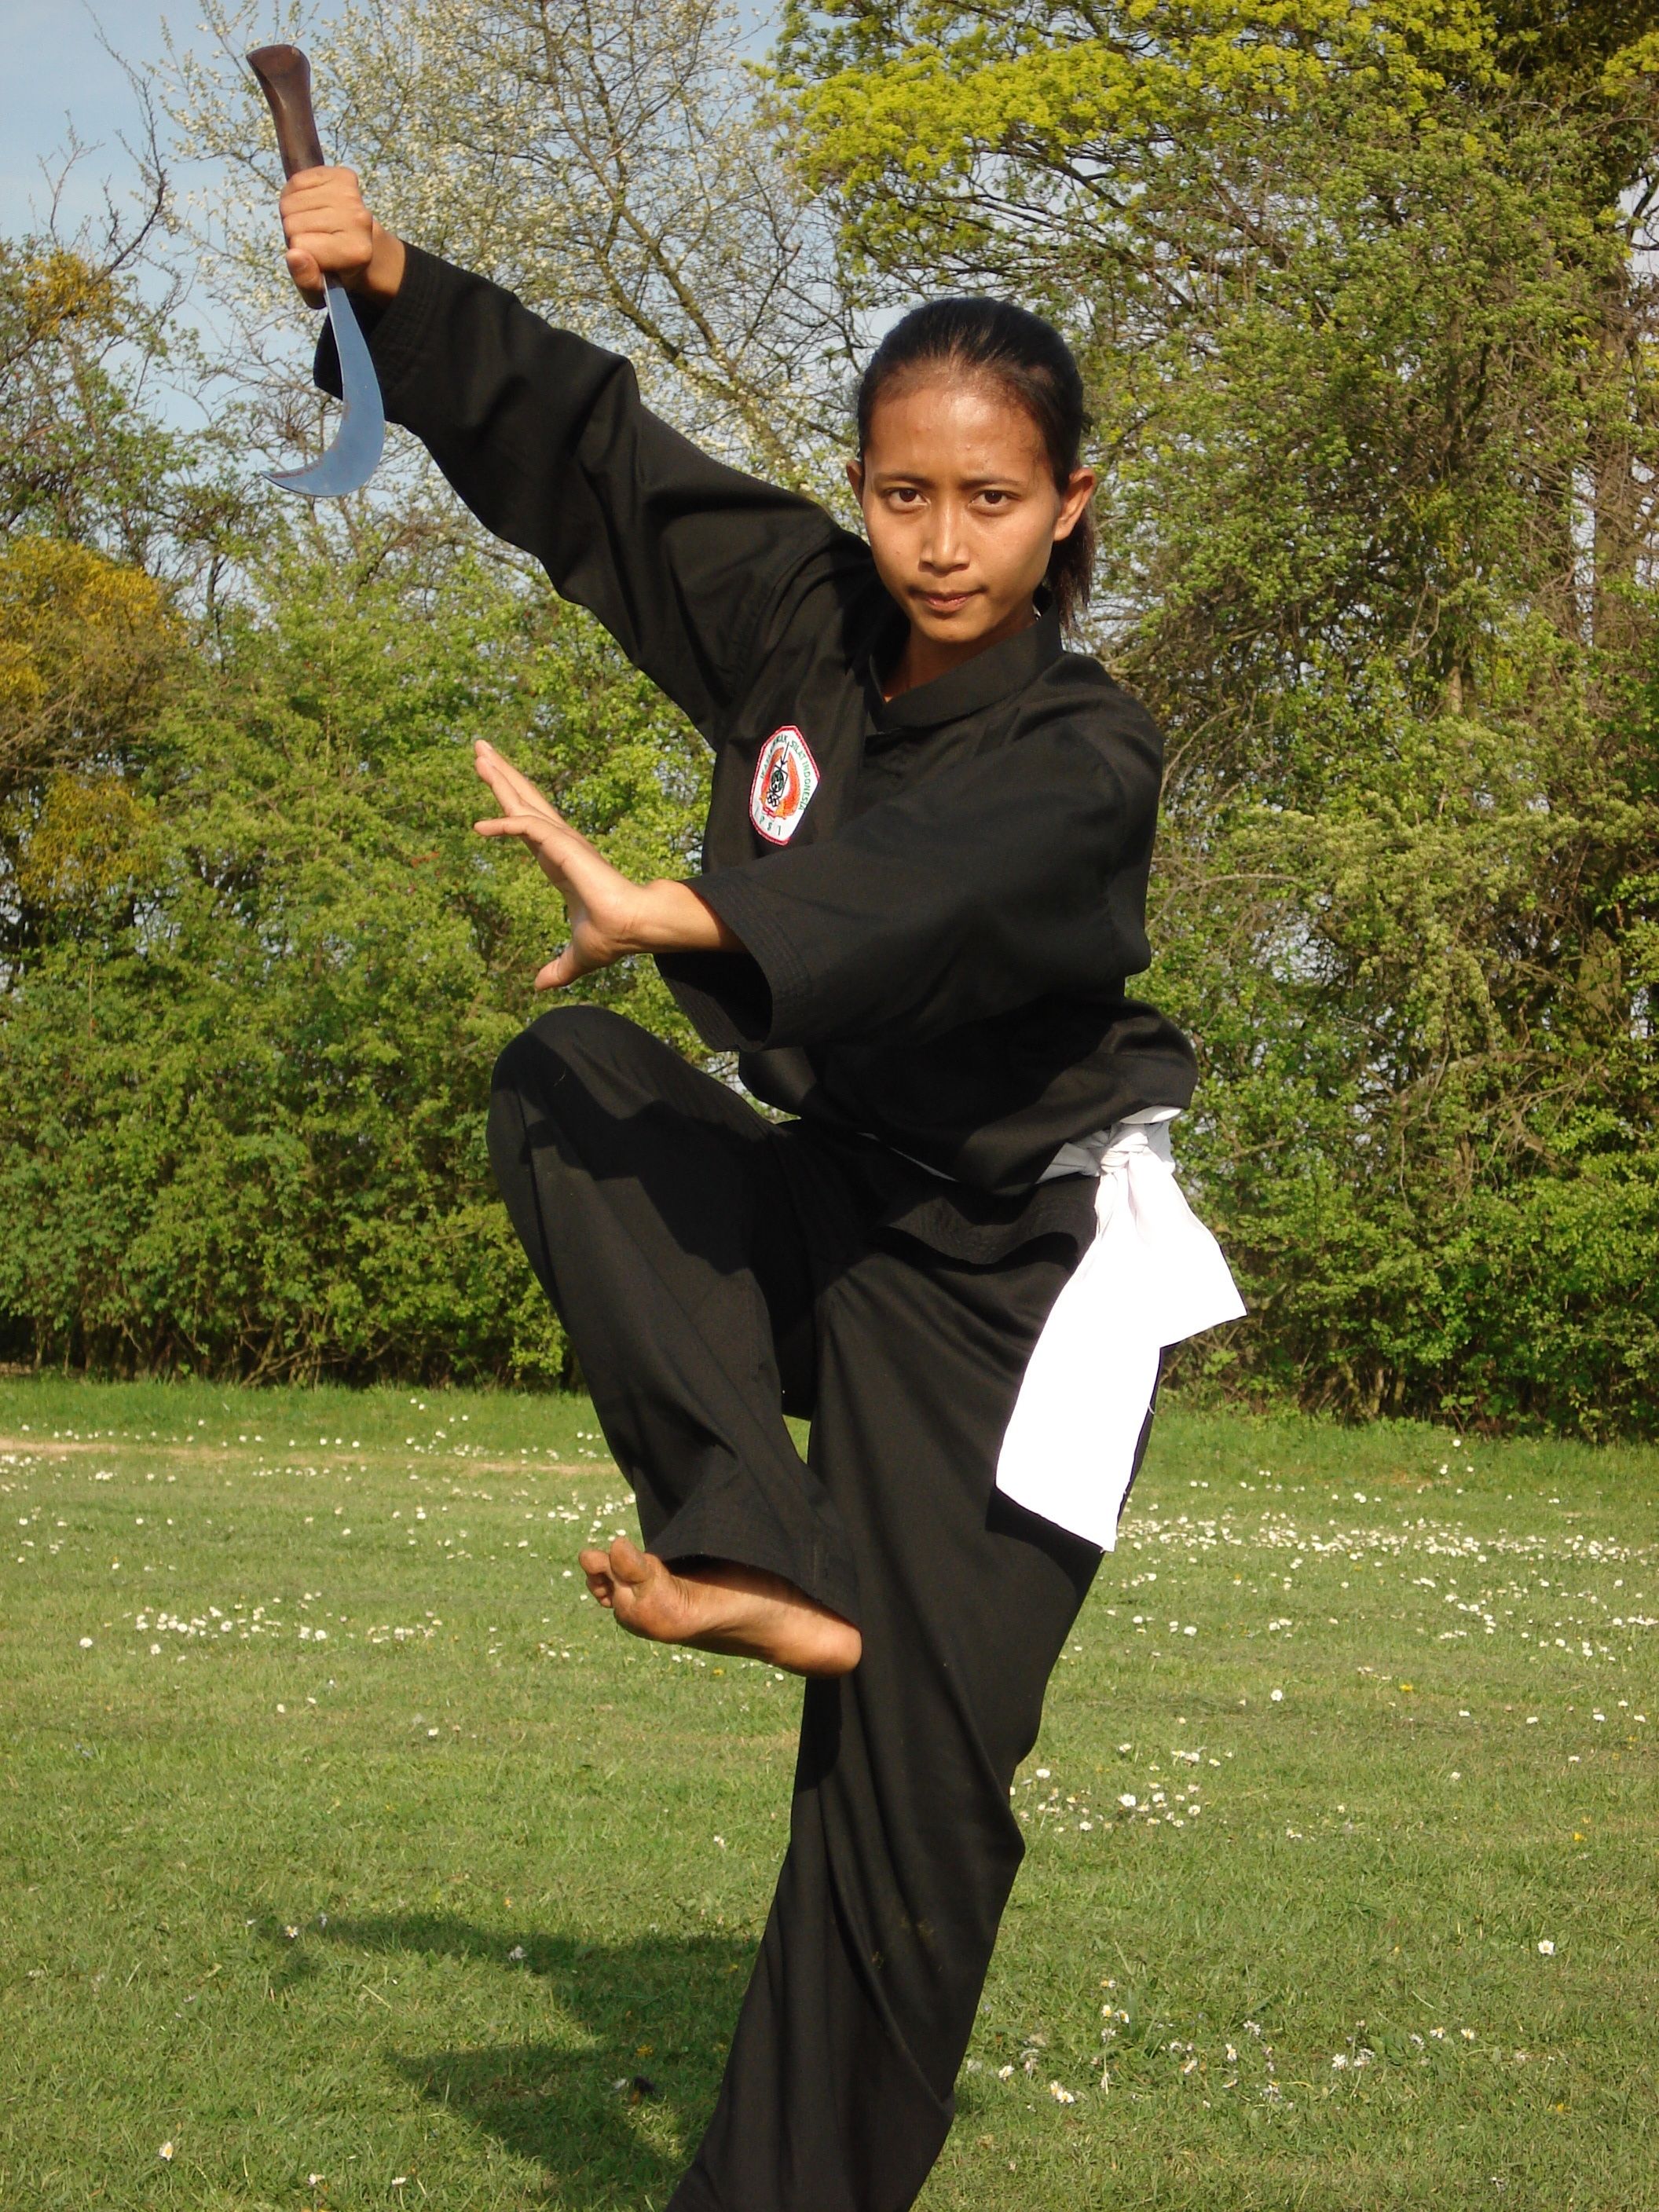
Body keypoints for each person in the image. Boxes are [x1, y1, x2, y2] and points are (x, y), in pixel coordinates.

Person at [280, 165, 1242, 2212]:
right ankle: (756, 1540)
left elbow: (941, 899)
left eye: (991, 501)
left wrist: (702, 914)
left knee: (911, 1800)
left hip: (1024, 1282)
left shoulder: (1088, 749)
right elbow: (596, 460)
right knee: (570, 1087)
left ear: (1072, 501)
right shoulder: (803, 615)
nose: (943, 542)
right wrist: (393, 284)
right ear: (867, 487)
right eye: (906, 495)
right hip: (843, 1196)